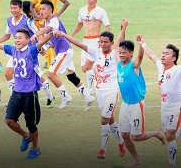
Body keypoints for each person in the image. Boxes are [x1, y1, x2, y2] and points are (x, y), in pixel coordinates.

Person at [0, 28, 55, 159]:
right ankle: (26, 136)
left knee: (31, 124)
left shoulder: (32, 50)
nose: (17, 40)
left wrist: (53, 33)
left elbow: (42, 41)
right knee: (9, 120)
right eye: (16, 38)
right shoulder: (13, 50)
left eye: (20, 38)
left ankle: (36, 149)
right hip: (17, 92)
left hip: (30, 94)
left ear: (27, 39)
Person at [55, 26, 127, 159]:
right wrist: (65, 36)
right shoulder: (96, 52)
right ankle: (121, 143)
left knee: (104, 119)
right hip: (99, 91)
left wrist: (123, 28)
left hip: (112, 91)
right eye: (101, 41)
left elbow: (119, 41)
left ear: (111, 43)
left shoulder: (115, 54)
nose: (103, 44)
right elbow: (80, 44)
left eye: (106, 42)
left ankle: (102, 149)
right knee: (110, 119)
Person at [115, 20, 166, 166]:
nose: (122, 55)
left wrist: (140, 45)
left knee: (136, 136)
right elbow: (118, 42)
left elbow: (141, 57)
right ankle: (137, 159)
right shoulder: (119, 63)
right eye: (120, 53)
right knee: (124, 134)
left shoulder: (134, 65)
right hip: (125, 104)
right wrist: (123, 28)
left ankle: (156, 133)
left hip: (137, 104)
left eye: (124, 53)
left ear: (131, 53)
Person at [30, 0, 95, 109]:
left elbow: (46, 30)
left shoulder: (53, 20)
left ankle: (66, 96)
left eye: (43, 9)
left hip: (64, 51)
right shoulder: (47, 22)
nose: (41, 11)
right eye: (40, 9)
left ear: (50, 10)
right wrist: (44, 47)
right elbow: (51, 40)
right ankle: (88, 97)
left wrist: (35, 35)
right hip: (64, 51)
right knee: (71, 76)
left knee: (50, 74)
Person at [0, 0, 55, 107]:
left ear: (21, 9)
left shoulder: (27, 20)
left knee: (37, 75)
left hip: (29, 53)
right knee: (8, 73)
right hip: (17, 52)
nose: (13, 10)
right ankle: (16, 99)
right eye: (11, 8)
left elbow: (38, 33)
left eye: (15, 8)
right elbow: (6, 36)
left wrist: (41, 47)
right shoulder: (9, 21)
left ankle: (51, 97)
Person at [136, 35, 181, 168]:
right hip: (164, 108)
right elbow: (151, 55)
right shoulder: (161, 68)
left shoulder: (177, 70)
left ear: (173, 58)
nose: (163, 55)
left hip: (176, 107)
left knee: (169, 134)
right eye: (163, 52)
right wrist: (143, 44)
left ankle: (171, 164)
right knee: (169, 137)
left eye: (167, 54)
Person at [71, 0, 110, 105]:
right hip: (85, 41)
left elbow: (107, 26)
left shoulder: (100, 11)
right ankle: (101, 74)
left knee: (88, 66)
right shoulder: (82, 11)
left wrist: (103, 40)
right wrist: (70, 37)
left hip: (95, 41)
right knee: (84, 68)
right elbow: (79, 25)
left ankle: (90, 89)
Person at [30, 0, 70, 71]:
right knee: (71, 75)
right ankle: (48, 63)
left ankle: (53, 63)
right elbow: (31, 6)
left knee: (52, 74)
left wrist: (58, 13)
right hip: (44, 22)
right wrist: (37, 15)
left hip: (64, 49)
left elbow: (66, 2)